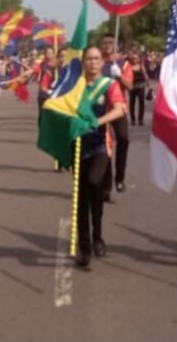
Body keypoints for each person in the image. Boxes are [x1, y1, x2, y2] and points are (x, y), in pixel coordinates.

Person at [72, 46, 127, 268]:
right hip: (77, 145)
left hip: (101, 145)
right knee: (81, 196)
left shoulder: (109, 85)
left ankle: (98, 236)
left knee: (95, 182)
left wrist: (97, 122)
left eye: (96, 59)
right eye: (89, 59)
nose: (93, 62)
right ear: (83, 61)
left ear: (102, 62)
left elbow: (119, 110)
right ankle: (84, 246)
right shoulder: (74, 86)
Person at [100, 35, 133, 196]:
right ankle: (106, 185)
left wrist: (119, 75)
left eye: (110, 43)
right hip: (102, 110)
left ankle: (119, 178)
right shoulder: (98, 63)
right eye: (105, 43)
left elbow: (130, 86)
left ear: (116, 44)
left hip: (118, 108)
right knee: (105, 145)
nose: (107, 45)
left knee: (123, 138)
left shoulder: (123, 63)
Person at [128, 49, 150, 127]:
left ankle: (140, 120)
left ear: (139, 59)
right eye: (133, 58)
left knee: (141, 103)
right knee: (132, 104)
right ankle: (133, 120)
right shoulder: (129, 66)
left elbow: (145, 75)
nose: (135, 60)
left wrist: (149, 85)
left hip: (141, 87)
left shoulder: (141, 66)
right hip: (132, 87)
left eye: (136, 58)